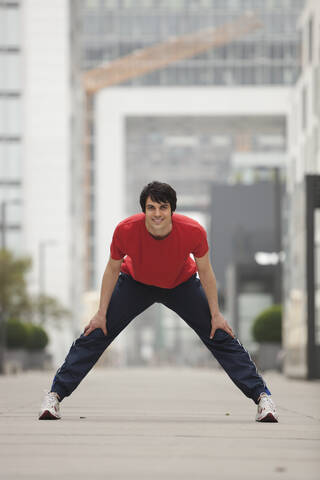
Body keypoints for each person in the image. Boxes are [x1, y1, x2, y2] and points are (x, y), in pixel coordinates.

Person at [39, 181, 278, 422]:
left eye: (163, 207)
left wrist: (216, 314)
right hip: (136, 283)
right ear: (143, 209)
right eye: (151, 208)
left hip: (180, 284)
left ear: (172, 210)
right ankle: (54, 396)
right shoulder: (126, 230)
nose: (157, 214)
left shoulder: (193, 231)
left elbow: (205, 272)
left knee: (220, 333)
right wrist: (101, 312)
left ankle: (263, 398)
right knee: (96, 332)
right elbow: (112, 270)